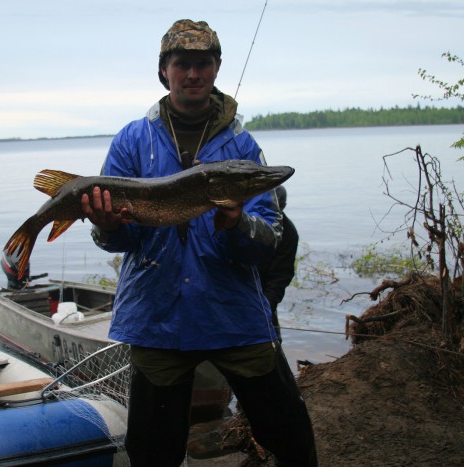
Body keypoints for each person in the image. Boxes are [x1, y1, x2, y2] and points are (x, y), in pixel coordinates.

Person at [80, 19, 317, 466]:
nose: (193, 74)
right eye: (182, 64)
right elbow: (120, 240)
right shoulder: (132, 140)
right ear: (164, 71)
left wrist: (238, 224)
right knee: (153, 450)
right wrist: (108, 226)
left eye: (203, 63)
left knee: (291, 434)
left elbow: (270, 237)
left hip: (234, 314)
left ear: (217, 67)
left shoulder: (242, 145)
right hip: (157, 316)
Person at [258, 185, 300, 342]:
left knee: (272, 341)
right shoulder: (244, 222)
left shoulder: (288, 232)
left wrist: (266, 307)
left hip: (263, 295)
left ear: (283, 207)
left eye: (276, 208)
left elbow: (281, 276)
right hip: (235, 292)